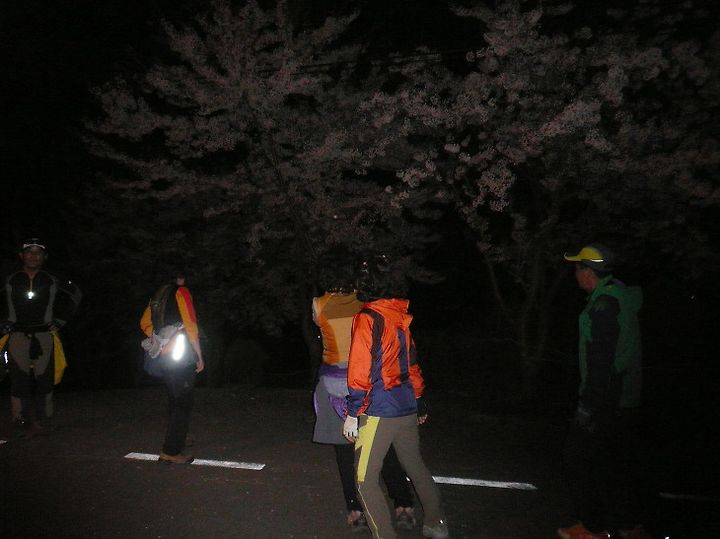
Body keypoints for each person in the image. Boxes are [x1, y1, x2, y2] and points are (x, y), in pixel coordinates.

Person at [343, 255, 448, 539]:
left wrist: (353, 413)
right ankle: (436, 523)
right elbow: (411, 362)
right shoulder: (398, 315)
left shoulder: (367, 318)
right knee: (414, 465)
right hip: (405, 406)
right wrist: (418, 399)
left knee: (364, 479)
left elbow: (360, 370)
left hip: (380, 409)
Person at [558, 244, 650, 539]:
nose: (575, 273)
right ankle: (630, 526)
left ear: (588, 272)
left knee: (577, 458)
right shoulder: (617, 295)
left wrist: (587, 407)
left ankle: (593, 528)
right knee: (613, 463)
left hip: (607, 399)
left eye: (577, 268)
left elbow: (602, 362)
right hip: (623, 398)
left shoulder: (604, 306)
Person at [311, 279, 417, 531]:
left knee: (343, 448)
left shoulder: (318, 304)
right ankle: (403, 504)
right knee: (383, 444)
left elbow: (322, 327)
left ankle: (355, 509)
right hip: (371, 379)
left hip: (335, 383)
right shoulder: (366, 302)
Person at [0, 238, 81, 434]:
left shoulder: (52, 278)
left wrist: (61, 319)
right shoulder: (10, 278)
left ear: (44, 257)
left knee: (45, 378)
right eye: (29, 252)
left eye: (38, 252)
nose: (33, 256)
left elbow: (76, 294)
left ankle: (43, 419)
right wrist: (2, 321)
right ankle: (19, 419)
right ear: (22, 255)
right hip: (17, 334)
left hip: (44, 334)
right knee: (19, 378)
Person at [140, 271, 204, 464]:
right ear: (181, 278)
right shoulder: (181, 292)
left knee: (174, 399)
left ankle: (180, 435)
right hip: (181, 355)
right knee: (182, 402)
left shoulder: (159, 294)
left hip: (165, 355)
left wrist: (162, 336)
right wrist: (199, 355)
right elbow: (190, 325)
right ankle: (171, 451)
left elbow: (144, 323)